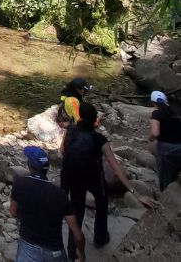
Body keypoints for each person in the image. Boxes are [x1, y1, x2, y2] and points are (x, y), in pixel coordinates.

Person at [61, 102, 157, 260]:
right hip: (93, 177)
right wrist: (135, 193)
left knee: (76, 210)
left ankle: (73, 251)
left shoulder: (70, 130)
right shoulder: (99, 139)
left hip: (72, 176)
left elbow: (62, 151)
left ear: (80, 116)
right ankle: (100, 237)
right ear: (94, 120)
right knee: (102, 201)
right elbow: (116, 169)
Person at [9, 145, 85, 261]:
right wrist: (81, 253)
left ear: (30, 166)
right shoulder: (60, 195)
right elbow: (78, 236)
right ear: (47, 169)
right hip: (54, 253)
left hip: (28, 248)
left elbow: (13, 212)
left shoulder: (20, 184)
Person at [149, 90, 181, 191]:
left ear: (153, 103)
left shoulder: (156, 113)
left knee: (165, 177)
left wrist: (150, 138)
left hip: (166, 149)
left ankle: (165, 195)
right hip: (179, 147)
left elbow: (155, 133)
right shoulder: (175, 111)